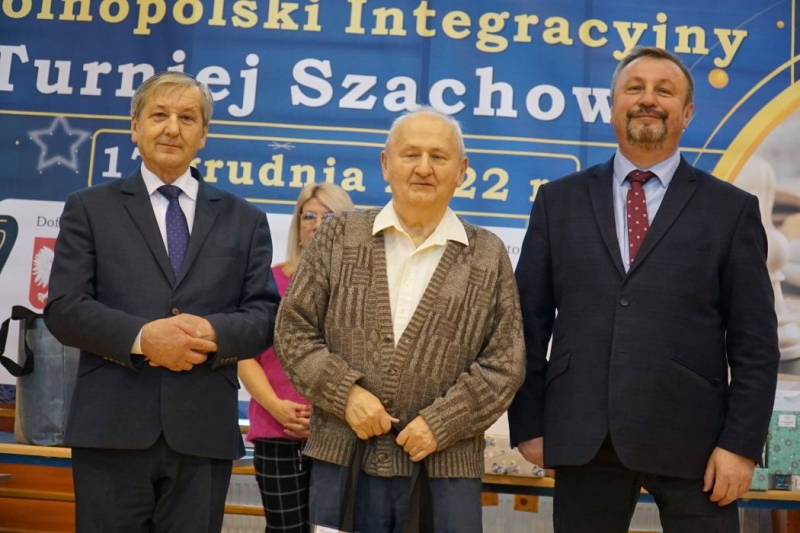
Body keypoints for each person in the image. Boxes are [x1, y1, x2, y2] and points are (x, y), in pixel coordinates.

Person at [507, 46, 780, 532]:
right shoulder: (558, 202)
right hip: (584, 436)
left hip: (697, 443)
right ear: (612, 106)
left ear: (687, 113)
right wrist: (528, 423)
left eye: (664, 91)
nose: (648, 99)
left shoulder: (731, 210)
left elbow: (755, 344)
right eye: (634, 89)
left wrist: (740, 445)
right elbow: (526, 325)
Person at [43, 71, 280, 532]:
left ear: (203, 134)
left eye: (187, 118)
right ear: (135, 127)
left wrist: (212, 332)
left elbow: (264, 315)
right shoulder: (89, 208)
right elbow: (65, 307)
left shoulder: (245, 219)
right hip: (111, 430)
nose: (173, 128)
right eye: (159, 115)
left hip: (202, 433)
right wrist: (142, 338)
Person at [273, 106, 525, 532]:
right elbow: (292, 331)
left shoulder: (487, 254)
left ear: (462, 171)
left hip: (445, 470)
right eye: (411, 154)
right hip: (343, 459)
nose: (423, 168)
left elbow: (505, 364)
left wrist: (441, 423)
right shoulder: (338, 236)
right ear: (386, 165)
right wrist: (346, 395)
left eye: (438, 156)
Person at [238, 182, 354, 533]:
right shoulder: (269, 282)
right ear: (298, 226)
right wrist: (275, 406)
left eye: (328, 217)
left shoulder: (361, 291)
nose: (317, 225)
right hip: (277, 428)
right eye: (309, 216)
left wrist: (324, 414)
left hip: (338, 432)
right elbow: (245, 355)